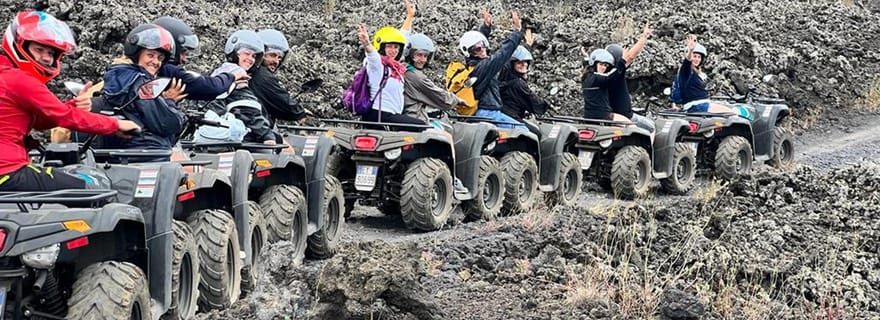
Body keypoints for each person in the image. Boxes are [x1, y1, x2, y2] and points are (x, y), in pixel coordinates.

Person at [0, 10, 140, 191]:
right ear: (20, 45)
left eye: (50, 53)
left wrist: (74, 106)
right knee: (90, 187)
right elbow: (64, 117)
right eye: (39, 49)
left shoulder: (6, 75)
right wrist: (115, 125)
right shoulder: (19, 80)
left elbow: (40, 121)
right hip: (7, 171)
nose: (46, 57)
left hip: (7, 168)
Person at [99, 23, 187, 159]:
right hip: (148, 152)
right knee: (198, 172)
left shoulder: (117, 77)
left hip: (125, 153)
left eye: (160, 58)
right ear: (136, 54)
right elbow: (167, 123)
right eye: (150, 55)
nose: (156, 62)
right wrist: (170, 103)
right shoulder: (140, 82)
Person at [457, 8, 526, 130]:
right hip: (488, 113)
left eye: (483, 46)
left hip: (481, 112)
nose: (482, 50)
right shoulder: (483, 67)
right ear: (469, 53)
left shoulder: (473, 66)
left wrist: (486, 27)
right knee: (523, 130)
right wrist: (517, 32)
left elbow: (476, 42)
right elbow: (502, 54)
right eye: (477, 49)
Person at [152, 16, 249, 101]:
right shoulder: (167, 70)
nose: (184, 59)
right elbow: (209, 87)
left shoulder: (154, 70)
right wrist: (232, 77)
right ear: (171, 48)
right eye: (182, 52)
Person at [205, 29, 276, 145]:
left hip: (213, 132)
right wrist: (267, 135)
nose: (251, 59)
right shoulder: (238, 74)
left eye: (254, 56)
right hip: (237, 138)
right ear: (234, 53)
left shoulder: (219, 71)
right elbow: (248, 109)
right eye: (246, 53)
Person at [356, 23, 426, 125]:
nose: (393, 51)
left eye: (396, 47)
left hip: (391, 115)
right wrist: (366, 43)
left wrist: (410, 16)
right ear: (381, 47)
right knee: (421, 125)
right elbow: (372, 55)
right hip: (379, 115)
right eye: (389, 46)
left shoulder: (395, 67)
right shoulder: (377, 66)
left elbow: (402, 37)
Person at [251, 28, 309, 133]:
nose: (276, 61)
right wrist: (300, 113)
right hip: (256, 131)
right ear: (260, 54)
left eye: (279, 58)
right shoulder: (262, 76)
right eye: (272, 55)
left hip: (253, 126)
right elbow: (280, 100)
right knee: (289, 148)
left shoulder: (250, 73)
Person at [606, 22, 656, 132]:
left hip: (608, 116)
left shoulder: (599, 75)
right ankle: (651, 150)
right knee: (652, 127)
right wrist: (644, 37)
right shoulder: (617, 72)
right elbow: (631, 56)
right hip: (625, 116)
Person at [498, 32, 550, 121]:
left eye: (526, 61)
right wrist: (546, 106)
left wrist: (527, 46)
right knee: (536, 133)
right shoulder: (518, 83)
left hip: (503, 115)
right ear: (512, 64)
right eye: (519, 63)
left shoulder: (504, 77)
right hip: (513, 118)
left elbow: (512, 55)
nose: (524, 64)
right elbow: (531, 99)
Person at [582, 48, 629, 122]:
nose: (603, 68)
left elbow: (587, 64)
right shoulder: (598, 78)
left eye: (605, 65)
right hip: (603, 116)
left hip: (588, 116)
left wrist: (586, 57)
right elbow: (612, 76)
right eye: (601, 64)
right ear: (595, 64)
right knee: (630, 125)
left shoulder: (586, 76)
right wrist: (623, 61)